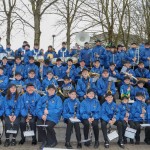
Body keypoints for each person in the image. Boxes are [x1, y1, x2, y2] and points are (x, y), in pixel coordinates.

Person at [36, 85, 63, 149]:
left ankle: (54, 140)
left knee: (48, 126)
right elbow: (38, 108)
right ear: (47, 90)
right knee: (39, 125)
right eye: (50, 90)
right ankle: (44, 141)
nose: (51, 91)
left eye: (53, 90)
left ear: (55, 91)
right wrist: (41, 115)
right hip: (43, 116)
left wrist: (49, 112)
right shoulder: (43, 98)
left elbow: (59, 109)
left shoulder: (58, 99)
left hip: (53, 117)